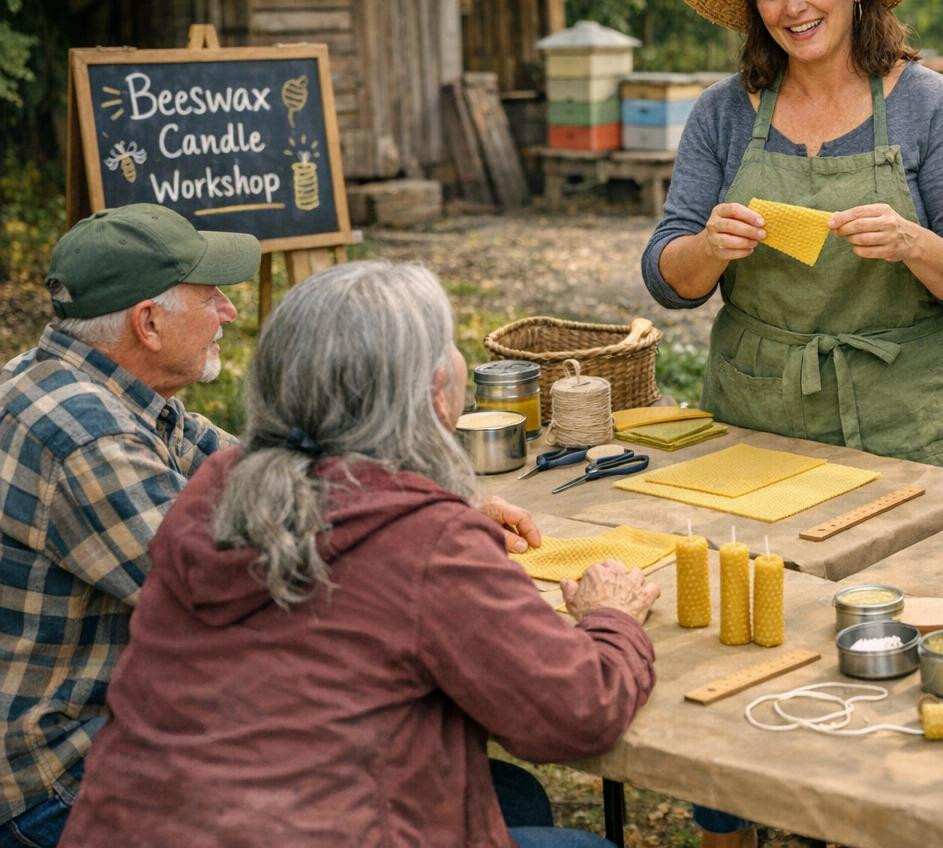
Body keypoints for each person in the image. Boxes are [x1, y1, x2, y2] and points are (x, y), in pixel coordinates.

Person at [59, 261, 658, 848]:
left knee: (510, 796)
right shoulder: (428, 543)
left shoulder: (218, 485)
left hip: (137, 820)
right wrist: (614, 617)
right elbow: (579, 709)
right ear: (432, 394)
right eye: (447, 345)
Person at [643, 0, 943, 499]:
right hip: (761, 415)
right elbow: (667, 280)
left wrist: (912, 243)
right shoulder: (722, 112)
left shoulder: (930, 104)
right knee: (771, 588)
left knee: (927, 589)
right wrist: (709, 247)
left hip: (915, 419)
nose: (793, 8)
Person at [0, 204, 259, 848]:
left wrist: (418, 497)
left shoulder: (79, 380)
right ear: (147, 322)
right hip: (59, 788)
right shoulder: (90, 440)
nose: (228, 311)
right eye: (210, 296)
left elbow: (262, 467)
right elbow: (239, 600)